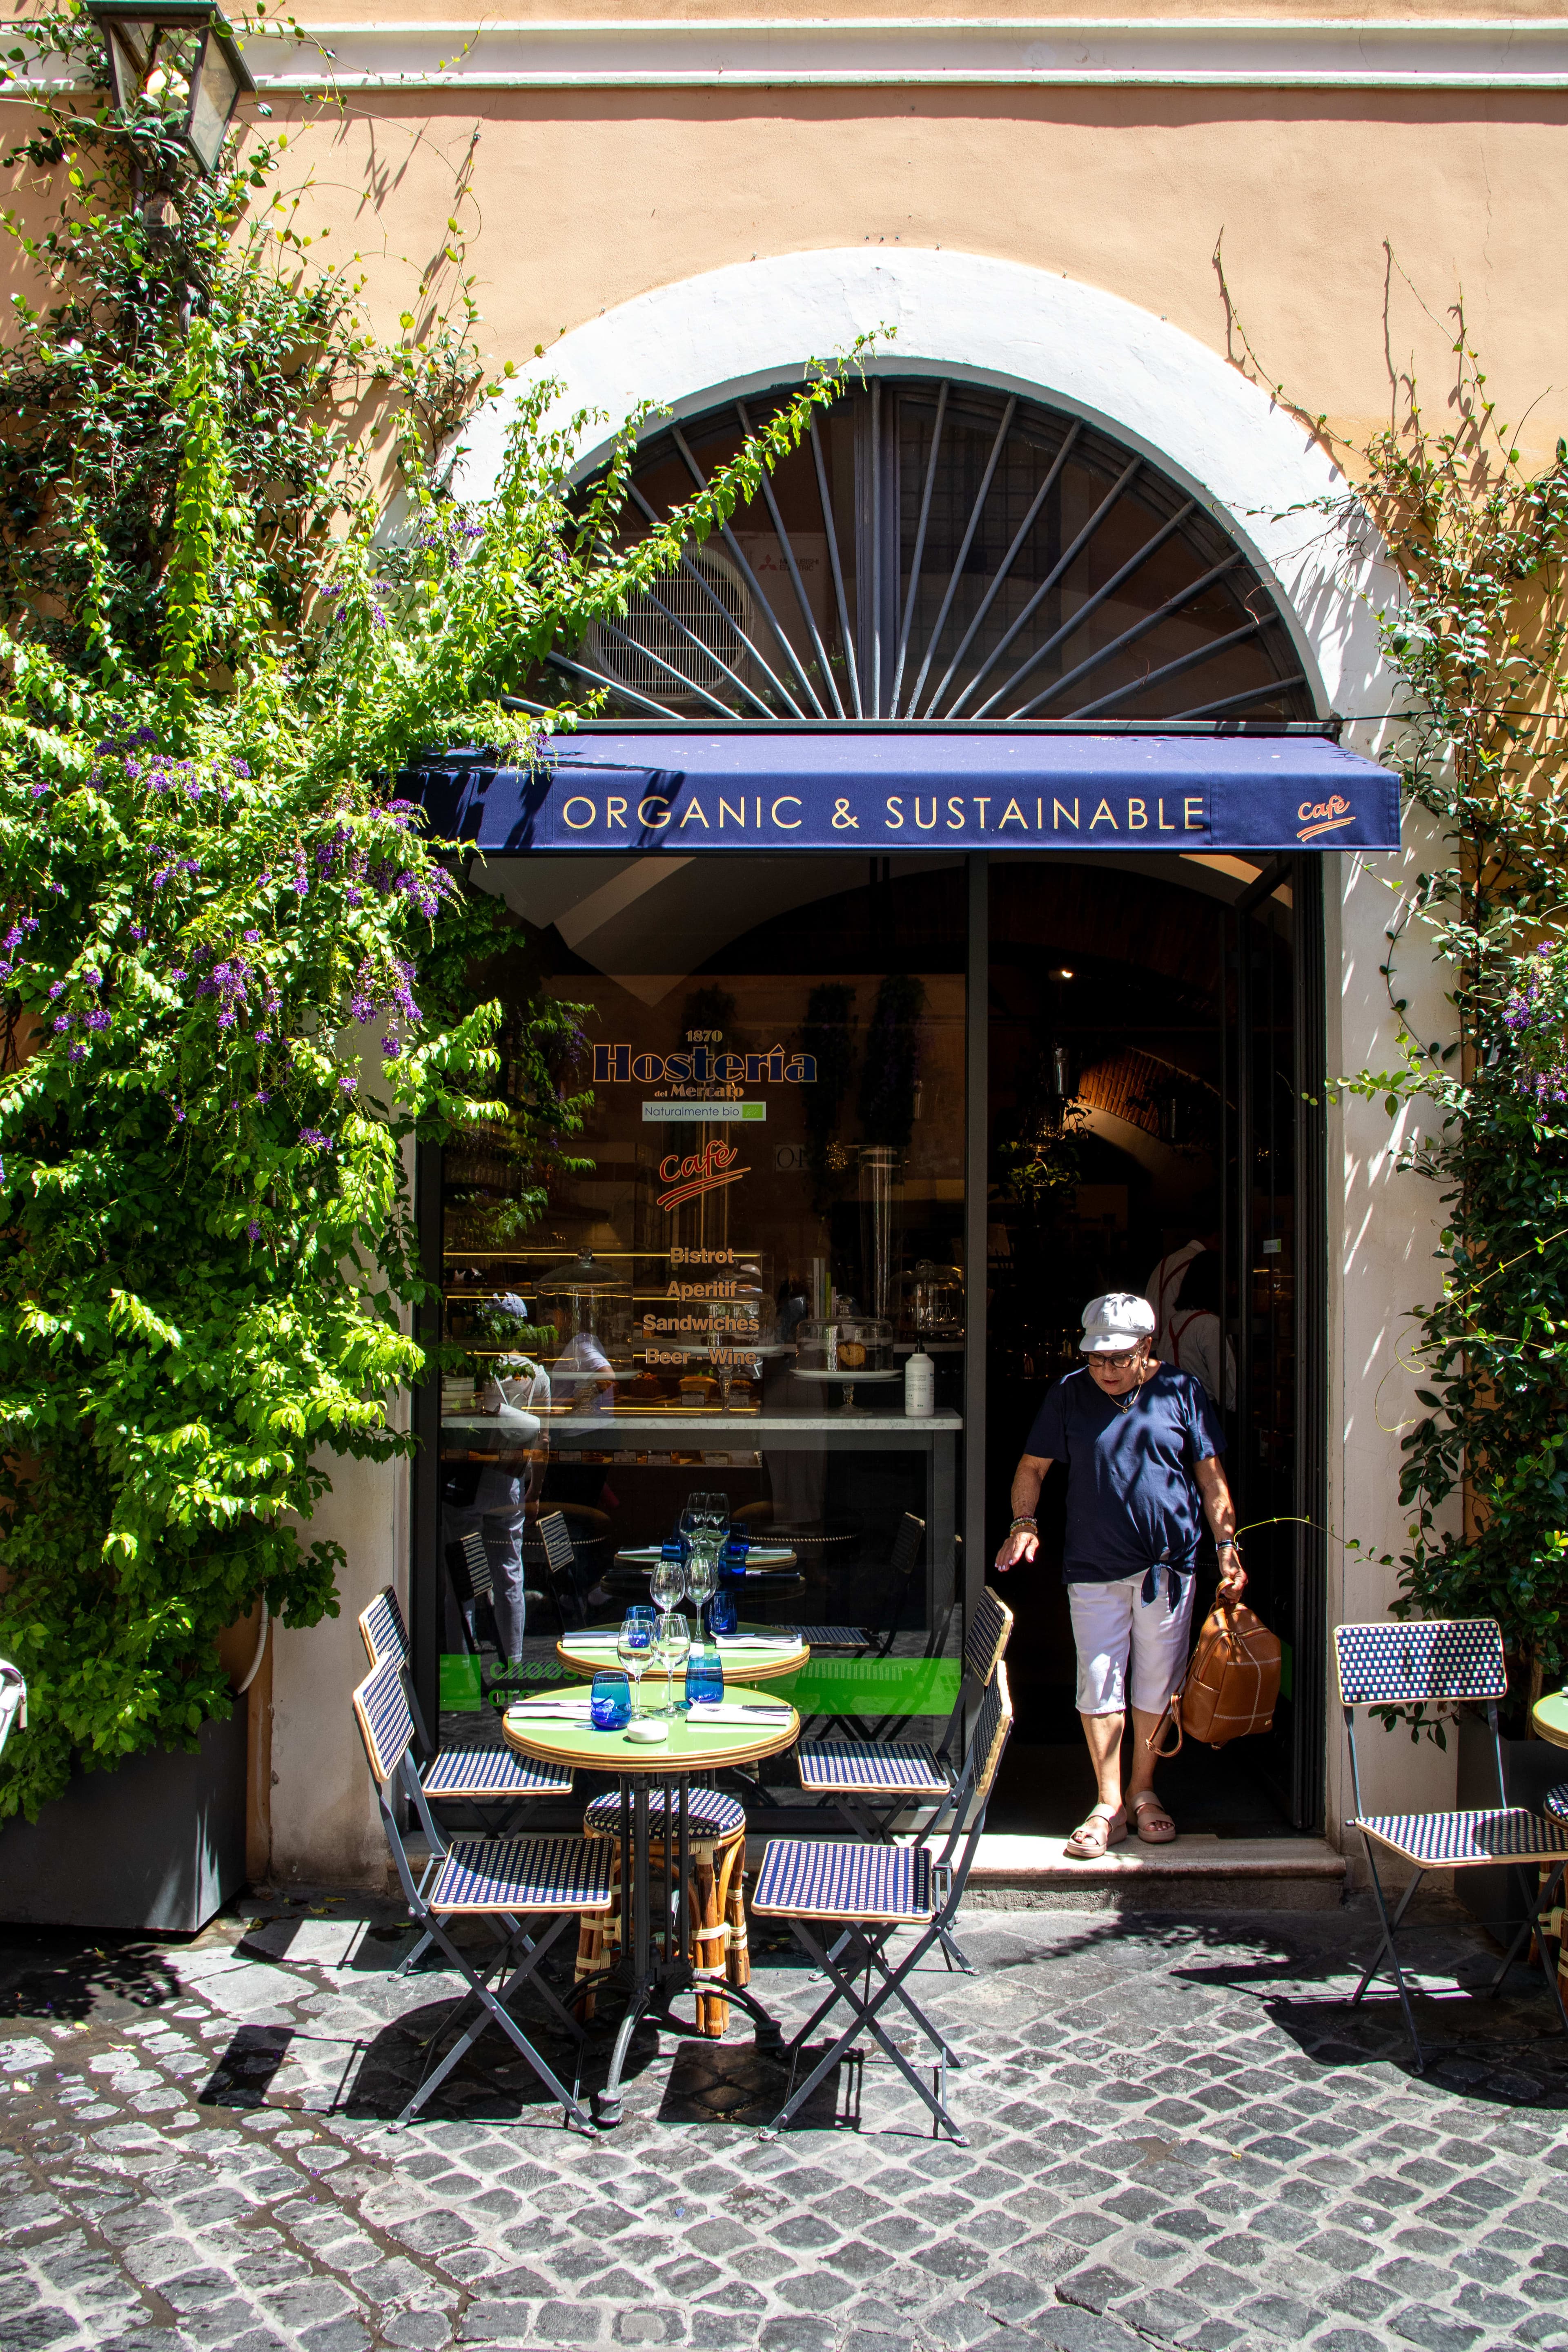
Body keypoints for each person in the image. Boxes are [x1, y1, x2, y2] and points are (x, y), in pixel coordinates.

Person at [994, 1290, 1245, 1857]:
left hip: (1169, 1565)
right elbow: (1031, 1467)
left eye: (1118, 1358)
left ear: (1147, 1347)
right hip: (1094, 1564)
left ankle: (1143, 1791)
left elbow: (1211, 1478)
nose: (1105, 1370)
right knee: (1099, 1681)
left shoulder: (1181, 1391)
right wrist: (1024, 1523)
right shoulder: (1069, 1392)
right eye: (1096, 1358)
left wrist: (1227, 1545)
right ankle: (1108, 1803)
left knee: (1158, 1682)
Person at [1163, 1245, 1236, 1411]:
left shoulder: (1173, 1322)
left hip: (1173, 1410)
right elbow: (1227, 1391)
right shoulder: (1211, 1326)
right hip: (1204, 1413)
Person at [1145, 1204, 1220, 1365]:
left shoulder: (1167, 1261)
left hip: (1156, 1347)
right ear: (1216, 1238)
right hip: (1178, 1350)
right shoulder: (1198, 1265)